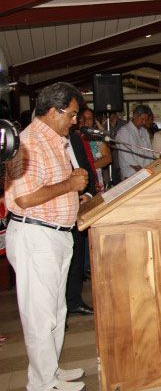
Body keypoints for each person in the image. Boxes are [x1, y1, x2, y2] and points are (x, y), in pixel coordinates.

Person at [4, 82, 89, 391]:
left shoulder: (54, 140)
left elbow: (54, 185)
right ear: (54, 112)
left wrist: (74, 195)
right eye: (73, 114)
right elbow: (24, 198)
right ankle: (41, 384)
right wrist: (70, 186)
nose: (76, 121)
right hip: (35, 237)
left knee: (55, 311)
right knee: (40, 316)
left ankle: (50, 372)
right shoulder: (28, 143)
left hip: (54, 236)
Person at [66, 122, 98, 318]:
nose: (74, 121)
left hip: (79, 206)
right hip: (58, 209)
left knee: (77, 257)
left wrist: (87, 193)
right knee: (61, 264)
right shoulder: (47, 145)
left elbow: (87, 169)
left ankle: (74, 301)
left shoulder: (75, 140)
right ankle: (59, 310)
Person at [116, 105, 155, 179]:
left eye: (145, 120)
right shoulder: (123, 132)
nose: (144, 122)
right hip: (130, 175)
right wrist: (143, 172)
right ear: (134, 116)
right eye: (142, 119)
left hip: (145, 173)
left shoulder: (144, 131)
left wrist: (151, 169)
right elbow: (128, 157)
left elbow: (149, 153)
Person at [78, 108, 111, 190]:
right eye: (84, 118)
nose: (86, 121)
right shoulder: (73, 137)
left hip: (96, 178)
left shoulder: (97, 138)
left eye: (89, 119)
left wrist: (89, 168)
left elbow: (108, 158)